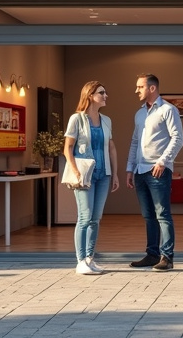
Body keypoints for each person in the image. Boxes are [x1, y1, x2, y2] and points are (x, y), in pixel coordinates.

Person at [126, 73, 183, 271]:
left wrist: (162, 162)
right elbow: (135, 142)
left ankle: (167, 257)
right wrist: (129, 168)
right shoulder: (139, 114)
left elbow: (178, 138)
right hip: (140, 171)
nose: (136, 91)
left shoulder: (168, 110)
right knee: (148, 215)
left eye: (140, 87)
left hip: (158, 170)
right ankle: (152, 255)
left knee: (163, 214)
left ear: (152, 88)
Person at [63, 81, 119, 275]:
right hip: (85, 175)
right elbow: (68, 148)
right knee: (85, 217)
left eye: (105, 92)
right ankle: (80, 262)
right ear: (90, 95)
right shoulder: (76, 119)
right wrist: (75, 171)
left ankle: (89, 258)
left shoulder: (106, 120)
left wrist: (115, 173)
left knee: (96, 218)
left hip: (103, 174)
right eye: (102, 92)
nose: (106, 96)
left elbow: (111, 148)